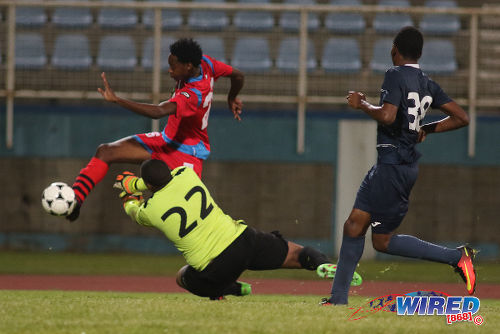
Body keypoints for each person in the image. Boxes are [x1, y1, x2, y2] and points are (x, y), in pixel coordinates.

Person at [322, 27, 474, 305]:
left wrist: (362, 104)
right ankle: (337, 299)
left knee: (381, 241)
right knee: (354, 225)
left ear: (394, 49)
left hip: (394, 165)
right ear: (420, 53)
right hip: (395, 165)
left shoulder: (394, 74)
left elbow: (389, 115)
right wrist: (425, 127)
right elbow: (462, 117)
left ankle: (457, 257)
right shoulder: (426, 82)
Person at [66, 38, 244, 221]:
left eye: (173, 67)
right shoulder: (206, 63)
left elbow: (158, 111)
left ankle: (135, 188)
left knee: (178, 219)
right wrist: (232, 97)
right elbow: (238, 75)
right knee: (106, 151)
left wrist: (117, 100)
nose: (169, 71)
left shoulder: (194, 93)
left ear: (188, 66)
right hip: (166, 141)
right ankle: (74, 202)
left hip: (186, 155)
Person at [118, 159, 337, 300]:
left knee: (182, 277)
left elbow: (134, 210)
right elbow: (161, 179)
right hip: (243, 239)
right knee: (296, 254)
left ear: (149, 185)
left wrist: (129, 194)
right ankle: (322, 264)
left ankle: (227, 288)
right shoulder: (186, 174)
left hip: (216, 266)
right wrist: (139, 183)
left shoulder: (151, 211)